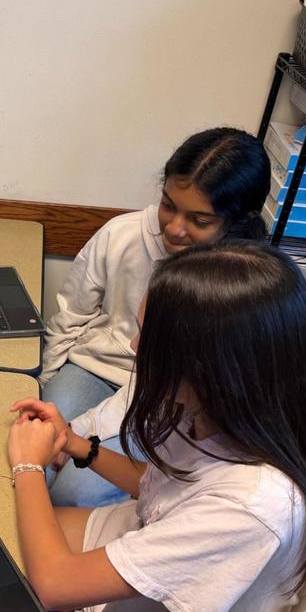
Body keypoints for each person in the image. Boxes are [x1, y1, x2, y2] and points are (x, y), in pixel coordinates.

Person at [7, 240, 306, 612]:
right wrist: (77, 446)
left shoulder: (252, 506)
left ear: (212, 365)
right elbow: (159, 488)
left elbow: (53, 586)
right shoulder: (223, 415)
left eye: (148, 337)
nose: (134, 345)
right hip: (130, 572)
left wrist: (26, 464)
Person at [40, 127, 270, 508]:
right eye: (168, 205)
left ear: (237, 221)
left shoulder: (236, 285)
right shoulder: (123, 235)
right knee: (38, 454)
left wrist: (79, 431)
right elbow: (71, 315)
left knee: (69, 492)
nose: (174, 229)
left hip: (172, 397)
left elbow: (162, 388)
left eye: (199, 220)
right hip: (100, 370)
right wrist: (50, 395)